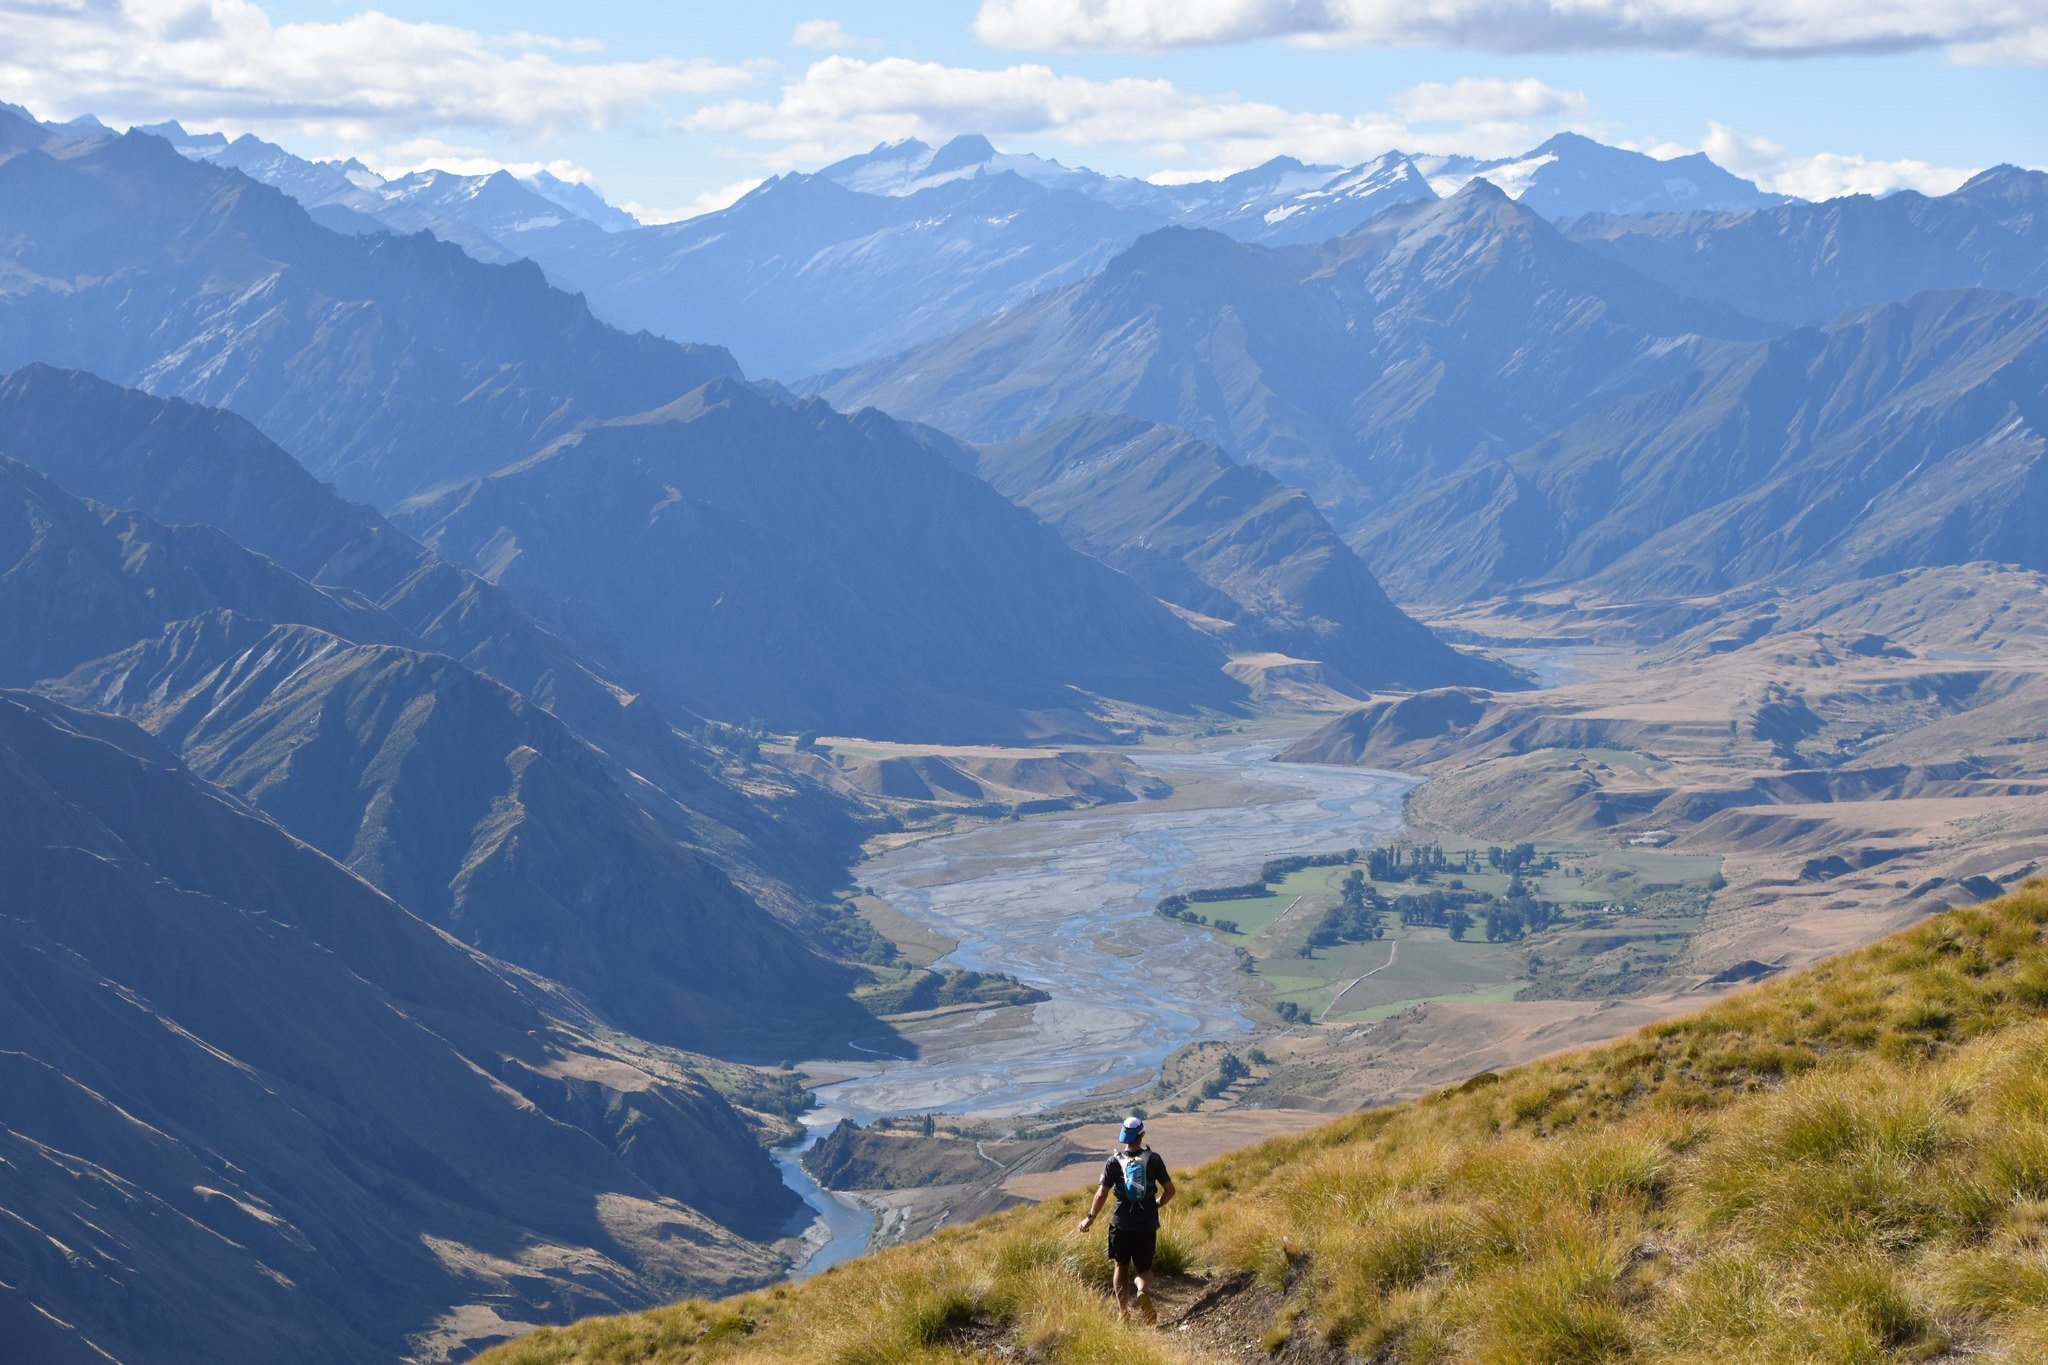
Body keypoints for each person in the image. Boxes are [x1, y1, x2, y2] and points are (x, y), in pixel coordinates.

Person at [1078, 1115, 1175, 1323]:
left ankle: (1124, 1313)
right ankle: (1141, 1290)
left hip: (1120, 1223)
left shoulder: (1113, 1162)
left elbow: (1101, 1194)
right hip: (1146, 1223)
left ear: (1124, 1137)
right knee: (1144, 1269)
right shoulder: (1154, 1159)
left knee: (1120, 1267)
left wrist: (1090, 1218)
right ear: (1142, 1135)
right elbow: (1170, 1190)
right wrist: (1157, 1203)